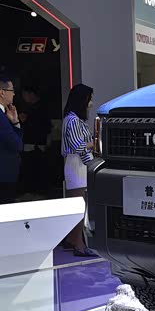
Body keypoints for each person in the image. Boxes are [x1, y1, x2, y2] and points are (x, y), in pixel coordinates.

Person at [61, 83, 96, 256]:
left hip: (79, 164)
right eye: (90, 99)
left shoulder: (74, 120)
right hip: (77, 165)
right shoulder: (73, 120)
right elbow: (78, 146)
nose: (91, 103)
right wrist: (94, 143)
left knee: (80, 206)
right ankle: (78, 244)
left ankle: (72, 239)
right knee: (79, 207)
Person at [19, 84, 52, 195]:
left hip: (35, 145)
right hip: (37, 145)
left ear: (31, 94)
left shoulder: (36, 109)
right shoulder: (33, 107)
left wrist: (24, 121)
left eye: (25, 94)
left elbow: (43, 127)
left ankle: (34, 193)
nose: (24, 97)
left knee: (33, 172)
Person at [0, 76, 23, 204]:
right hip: (4, 175)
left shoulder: (3, 115)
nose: (14, 94)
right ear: (2, 92)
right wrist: (16, 124)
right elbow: (17, 144)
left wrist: (15, 122)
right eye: (12, 90)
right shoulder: (0, 117)